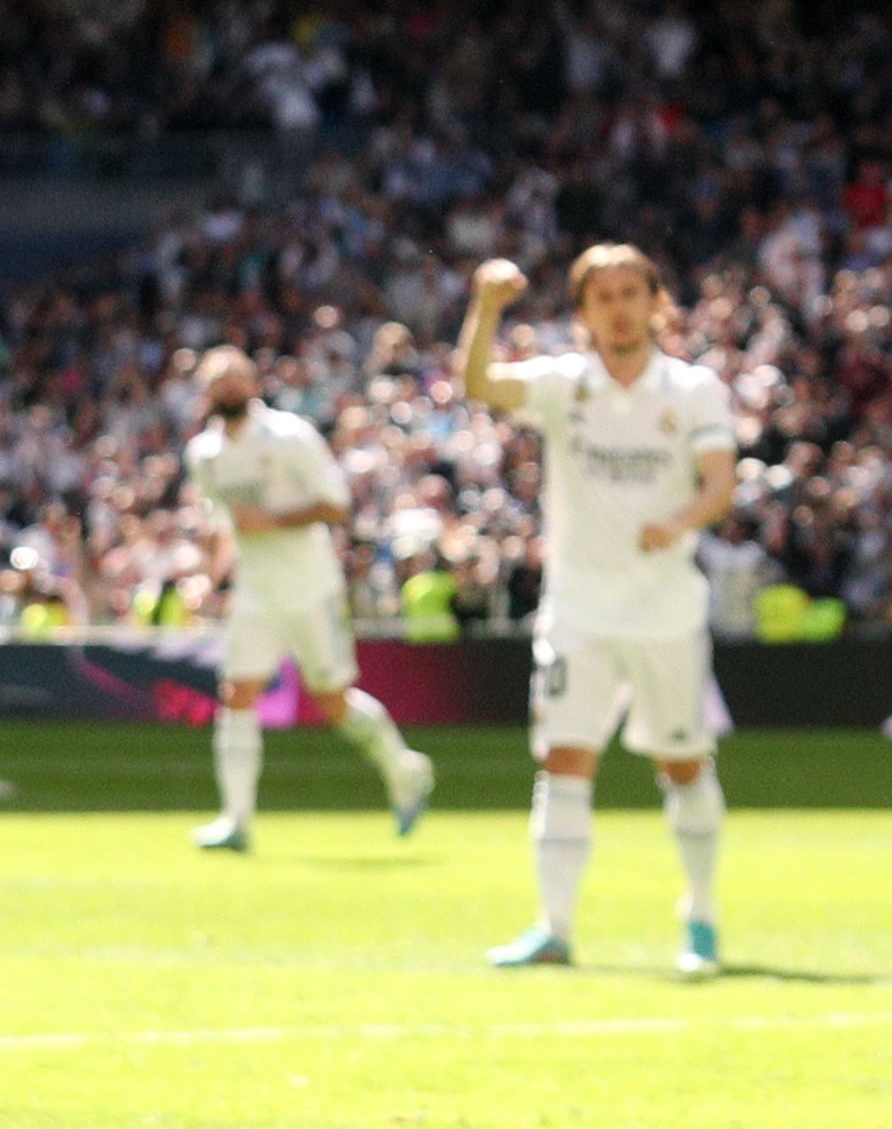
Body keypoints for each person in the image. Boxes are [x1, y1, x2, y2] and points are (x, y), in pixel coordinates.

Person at [456, 247, 740, 979]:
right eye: (602, 296)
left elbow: (719, 485)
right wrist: (487, 308)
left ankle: (700, 918)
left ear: (655, 302)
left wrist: (676, 523)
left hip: (664, 611)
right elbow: (478, 382)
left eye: (630, 293)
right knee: (564, 758)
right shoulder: (563, 385)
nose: (618, 308)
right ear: (583, 312)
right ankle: (554, 928)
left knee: (681, 763)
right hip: (577, 611)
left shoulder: (693, 388)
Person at [177, 344, 432, 851]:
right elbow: (224, 525)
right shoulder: (204, 454)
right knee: (237, 693)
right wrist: (211, 577)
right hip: (255, 588)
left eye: (238, 377)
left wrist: (273, 521)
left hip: (311, 585)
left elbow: (337, 507)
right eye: (218, 380)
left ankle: (404, 770)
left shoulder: (290, 436)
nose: (229, 387)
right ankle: (237, 821)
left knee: (333, 704)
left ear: (254, 384)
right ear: (206, 392)